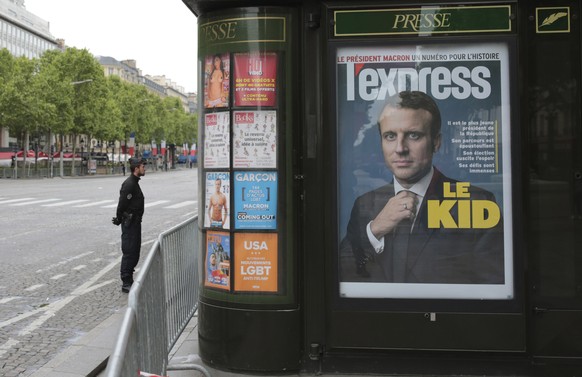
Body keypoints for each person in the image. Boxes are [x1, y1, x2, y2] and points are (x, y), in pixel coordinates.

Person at [343, 91, 504, 284]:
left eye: (413, 135)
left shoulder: (478, 202)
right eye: (390, 136)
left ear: (436, 142)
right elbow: (343, 275)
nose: (400, 148)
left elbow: (492, 287)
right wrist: (374, 231)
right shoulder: (364, 205)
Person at [112, 157, 146, 293]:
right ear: (136, 168)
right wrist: (119, 218)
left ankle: (129, 279)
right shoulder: (129, 184)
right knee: (129, 251)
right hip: (130, 223)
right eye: (143, 166)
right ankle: (126, 282)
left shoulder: (134, 182)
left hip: (135, 222)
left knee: (135, 252)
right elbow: (122, 204)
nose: (145, 168)